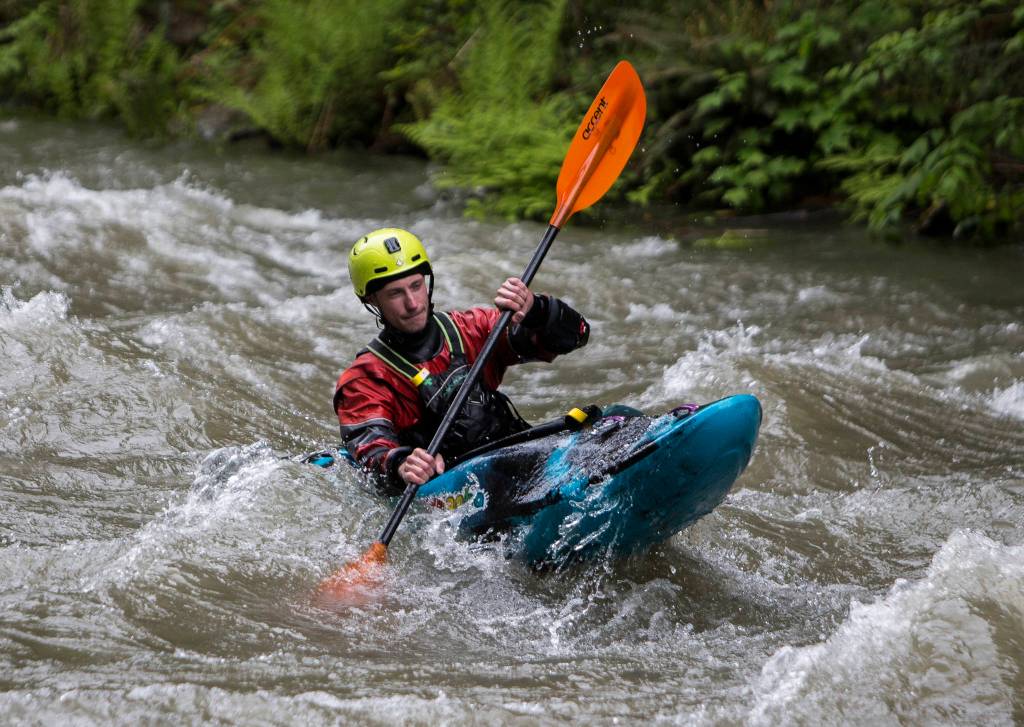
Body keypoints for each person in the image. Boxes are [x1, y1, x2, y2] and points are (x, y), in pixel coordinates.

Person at [334, 228, 590, 494]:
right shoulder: (366, 377)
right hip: (454, 492)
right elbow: (370, 447)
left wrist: (535, 310)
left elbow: (577, 336)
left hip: (513, 458)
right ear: (371, 299)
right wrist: (401, 463)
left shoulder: (472, 329)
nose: (413, 303)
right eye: (395, 294)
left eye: (416, 286)